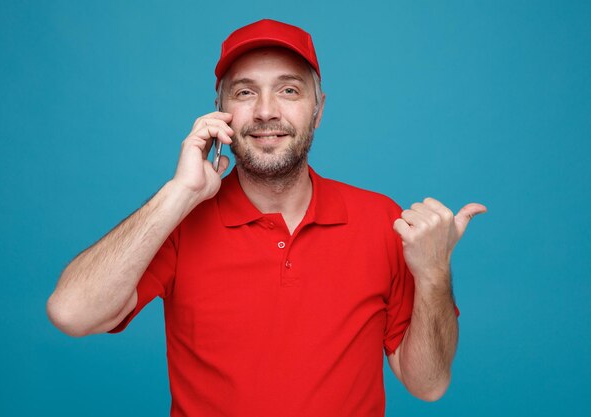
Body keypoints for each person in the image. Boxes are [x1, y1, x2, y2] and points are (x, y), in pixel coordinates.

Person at [47, 19, 486, 417]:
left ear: (319, 108)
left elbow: (428, 385)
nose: (265, 111)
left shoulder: (380, 220)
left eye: (289, 90)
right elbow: (71, 313)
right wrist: (178, 195)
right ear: (219, 112)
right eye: (244, 92)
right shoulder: (179, 222)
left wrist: (433, 275)